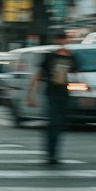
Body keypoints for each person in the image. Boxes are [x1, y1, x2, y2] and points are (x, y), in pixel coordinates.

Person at [29, 34, 78, 165]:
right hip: (52, 94)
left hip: (64, 94)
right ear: (57, 41)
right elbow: (38, 76)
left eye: (65, 39)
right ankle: (51, 154)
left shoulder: (71, 57)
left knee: (60, 125)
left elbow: (76, 73)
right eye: (60, 39)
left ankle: (54, 154)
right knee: (53, 124)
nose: (63, 42)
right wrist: (31, 95)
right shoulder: (50, 57)